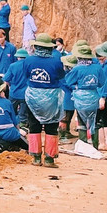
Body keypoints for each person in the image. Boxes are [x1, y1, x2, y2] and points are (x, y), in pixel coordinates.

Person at [22, 33, 65, 167]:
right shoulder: (56, 61)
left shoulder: (28, 60)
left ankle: (35, 157)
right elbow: (60, 75)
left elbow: (26, 75)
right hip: (51, 98)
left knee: (34, 125)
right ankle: (49, 159)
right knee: (51, 127)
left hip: (32, 97)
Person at [64, 43, 104, 147]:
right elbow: (101, 83)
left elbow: (68, 82)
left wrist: (77, 87)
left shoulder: (77, 69)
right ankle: (95, 145)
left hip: (81, 97)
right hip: (94, 96)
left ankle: (83, 144)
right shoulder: (98, 68)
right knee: (94, 120)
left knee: (81, 121)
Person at [2, 49, 30, 130]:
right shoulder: (29, 66)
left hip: (14, 92)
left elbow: (6, 79)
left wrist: (10, 85)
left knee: (12, 111)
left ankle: (11, 125)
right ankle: (23, 126)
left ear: (17, 57)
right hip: (25, 94)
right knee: (23, 113)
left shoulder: (13, 66)